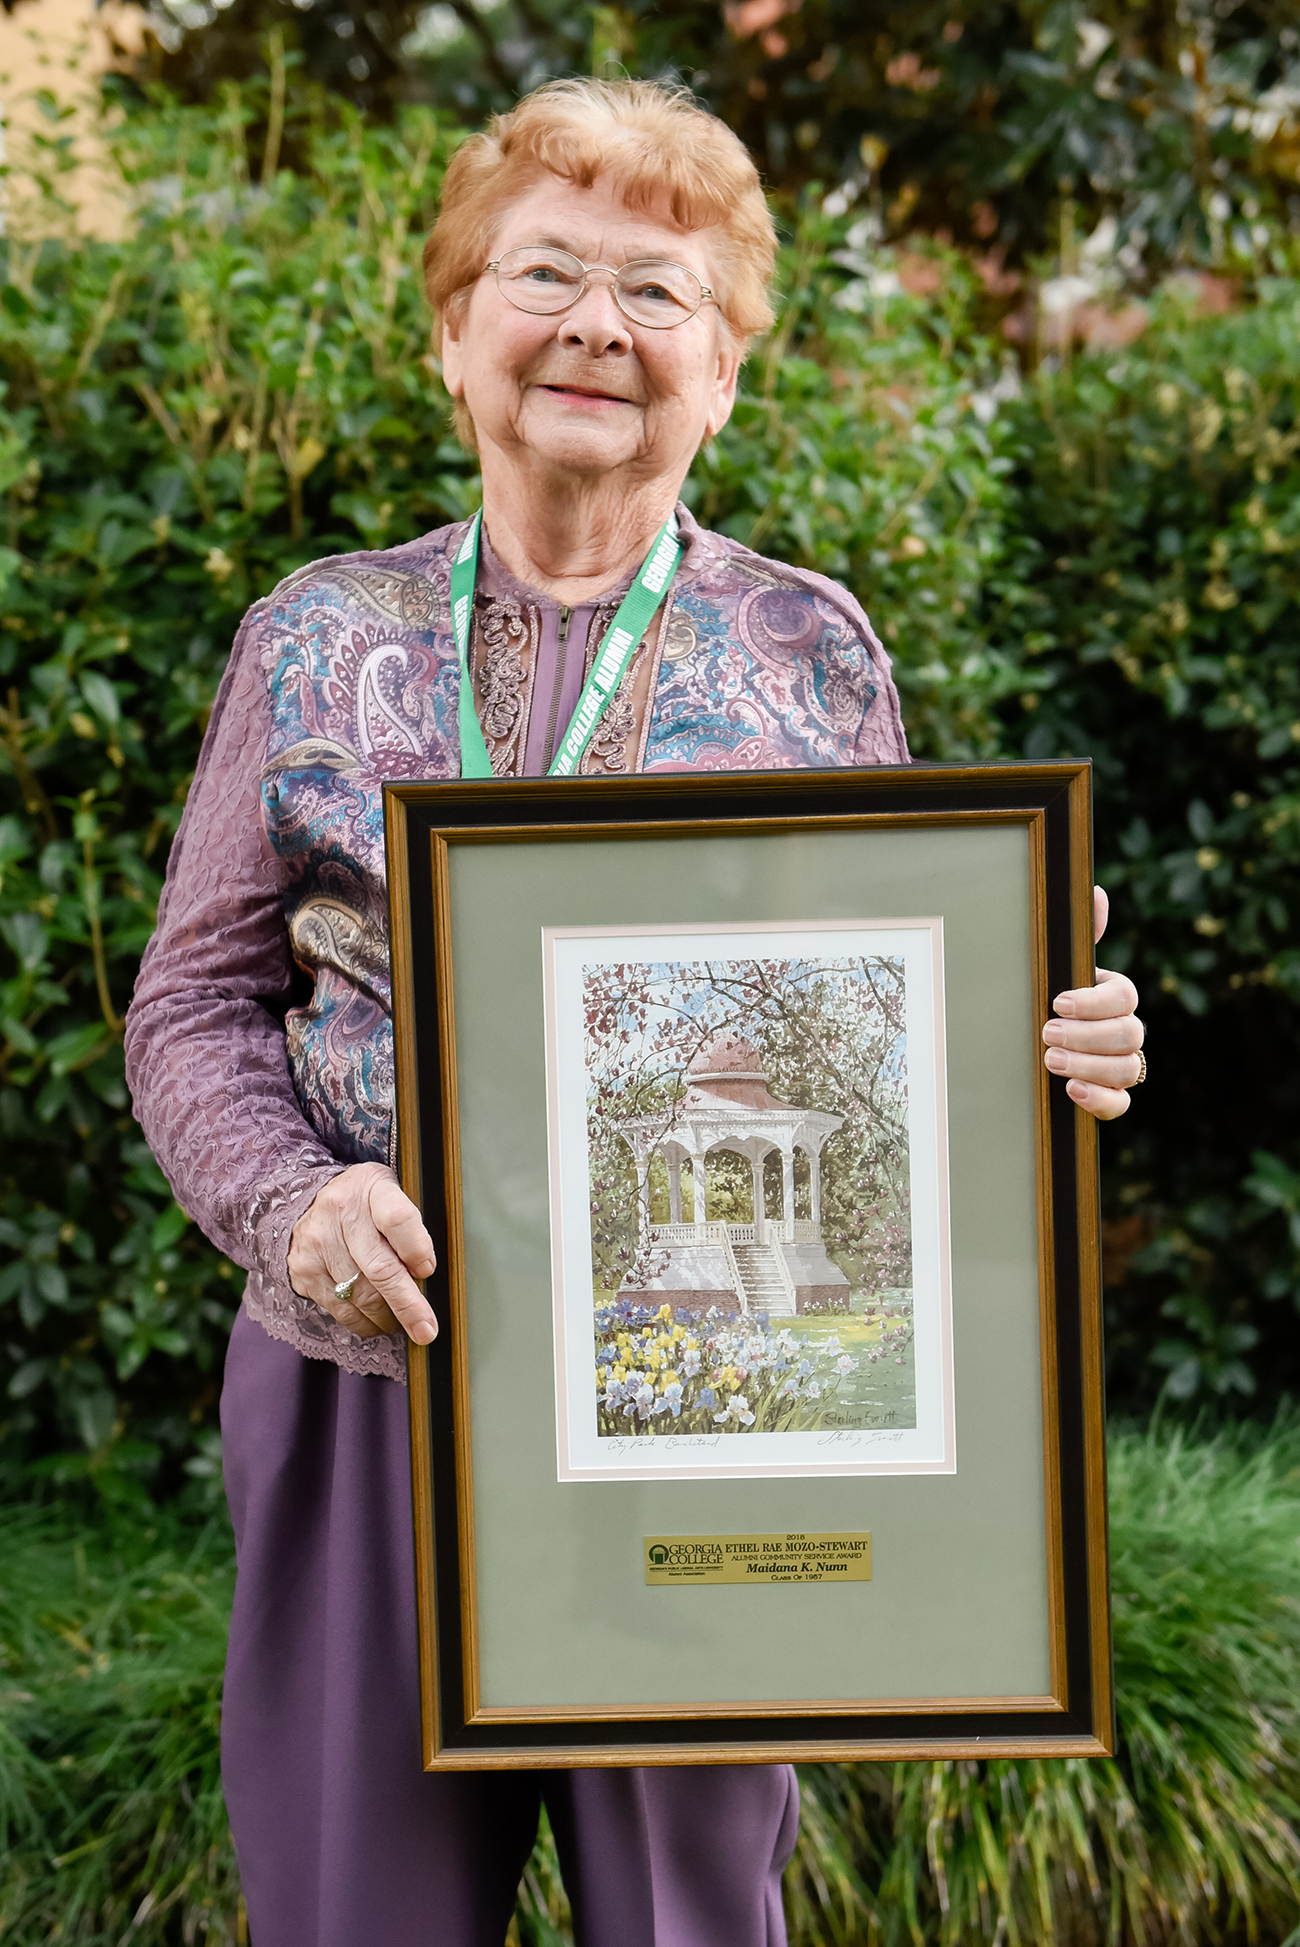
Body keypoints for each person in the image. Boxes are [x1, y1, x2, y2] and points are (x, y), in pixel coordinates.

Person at [123, 76, 1145, 1947]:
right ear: (453, 335)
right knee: (356, 1914)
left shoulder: (809, 646)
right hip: (374, 1381)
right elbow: (189, 1011)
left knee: (684, 1921)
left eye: (661, 294)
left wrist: (1042, 1039)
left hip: (710, 1419)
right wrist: (297, 1209)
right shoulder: (311, 636)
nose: (599, 325)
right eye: (547, 272)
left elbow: (893, 1039)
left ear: (727, 375)